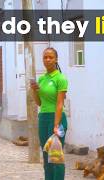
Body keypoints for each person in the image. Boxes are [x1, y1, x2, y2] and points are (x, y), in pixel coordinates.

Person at [30, 47, 68, 180]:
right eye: (45, 57)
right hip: (43, 118)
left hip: (56, 118)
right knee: (46, 155)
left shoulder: (60, 78)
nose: (47, 59)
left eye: (50, 57)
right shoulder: (42, 79)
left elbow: (59, 104)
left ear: (56, 59)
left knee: (56, 156)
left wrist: (56, 125)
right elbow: (40, 103)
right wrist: (34, 91)